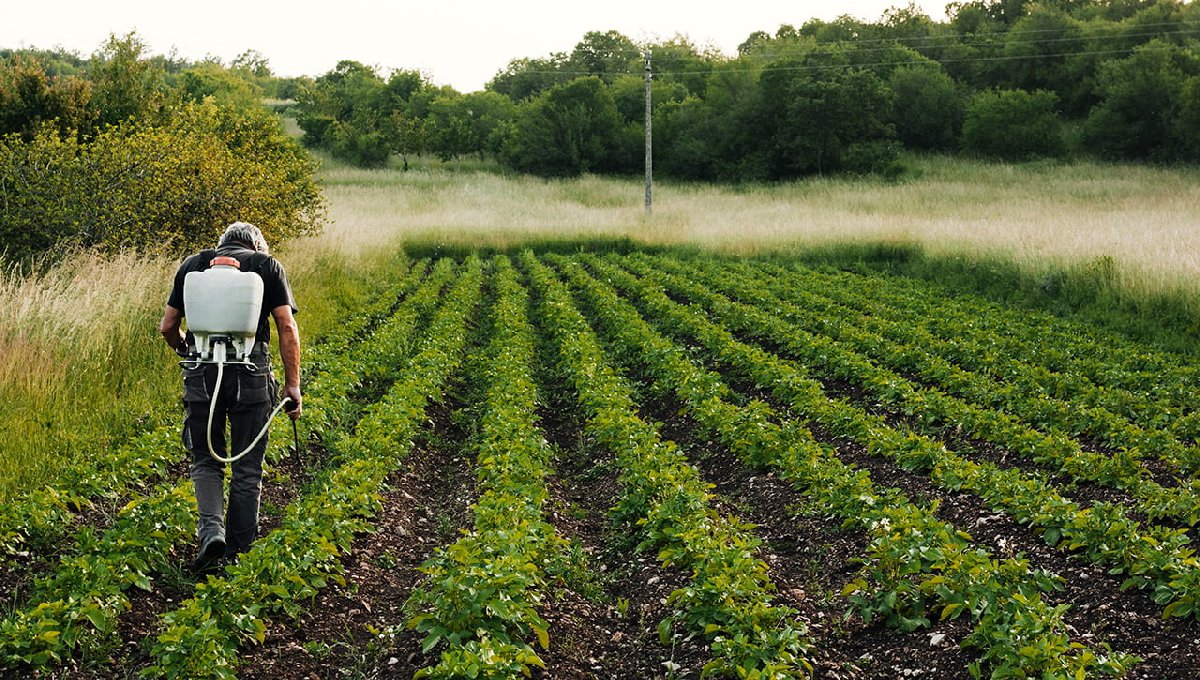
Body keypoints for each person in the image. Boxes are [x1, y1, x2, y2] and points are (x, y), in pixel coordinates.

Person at [159, 222, 302, 574]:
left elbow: (167, 326)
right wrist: (292, 385)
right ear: (256, 243)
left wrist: (185, 350)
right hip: (251, 375)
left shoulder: (193, 265)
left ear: (222, 244)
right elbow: (286, 326)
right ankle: (239, 555)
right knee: (247, 467)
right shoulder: (268, 267)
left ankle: (211, 535)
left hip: (202, 372)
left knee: (206, 460)